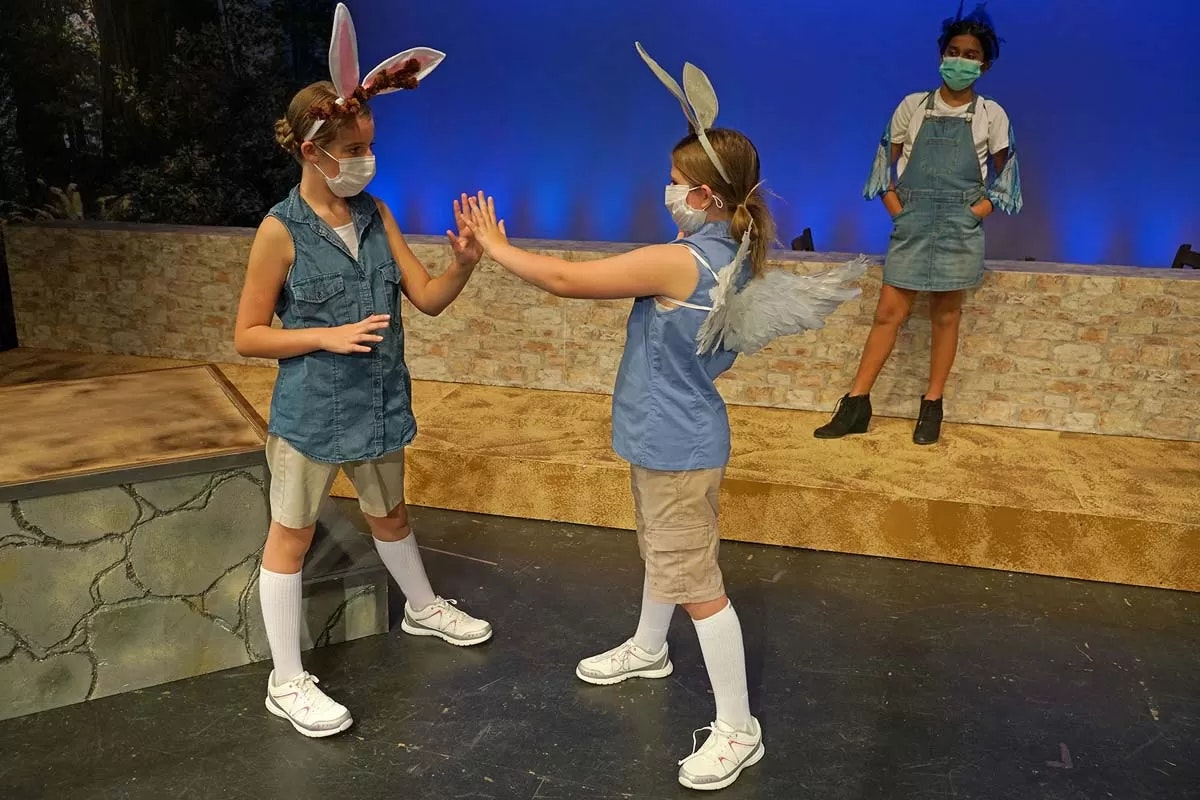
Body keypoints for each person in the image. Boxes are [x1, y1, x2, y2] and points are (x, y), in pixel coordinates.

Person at [459, 43, 863, 791]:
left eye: (678, 182)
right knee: (664, 556)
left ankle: (739, 728)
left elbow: (563, 279)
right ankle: (650, 647)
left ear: (709, 196)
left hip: (680, 447)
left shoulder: (683, 262)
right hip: (668, 438)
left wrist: (495, 247)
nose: (668, 191)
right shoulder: (722, 254)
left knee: (698, 582)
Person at [233, 3, 491, 738]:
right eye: (350, 148)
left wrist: (464, 265)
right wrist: (323, 335)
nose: (364, 160)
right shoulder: (279, 232)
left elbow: (430, 300)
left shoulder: (376, 215)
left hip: (378, 406)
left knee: (392, 515)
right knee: (291, 535)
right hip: (313, 413)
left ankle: (422, 607)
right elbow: (248, 335)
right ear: (313, 150)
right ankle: (287, 680)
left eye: (368, 145)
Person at [815, 1, 1023, 445]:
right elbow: (882, 162)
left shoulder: (992, 115)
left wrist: (975, 215)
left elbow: (1007, 176)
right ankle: (857, 403)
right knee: (888, 312)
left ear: (984, 64)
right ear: (940, 54)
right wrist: (895, 206)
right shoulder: (913, 106)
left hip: (958, 225)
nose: (960, 60)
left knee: (946, 316)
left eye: (970, 54)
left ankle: (932, 405)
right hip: (913, 222)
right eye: (954, 50)